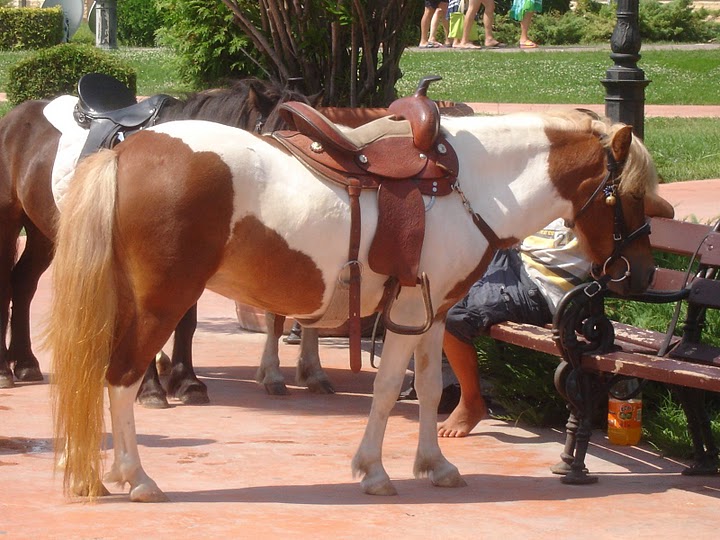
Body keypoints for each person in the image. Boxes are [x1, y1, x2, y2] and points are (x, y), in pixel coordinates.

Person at [437, 219, 590, 437]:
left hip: (540, 287)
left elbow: (641, 198)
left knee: (453, 317)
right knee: (438, 301)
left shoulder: (602, 196)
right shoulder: (557, 191)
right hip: (512, 260)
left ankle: (471, 401)